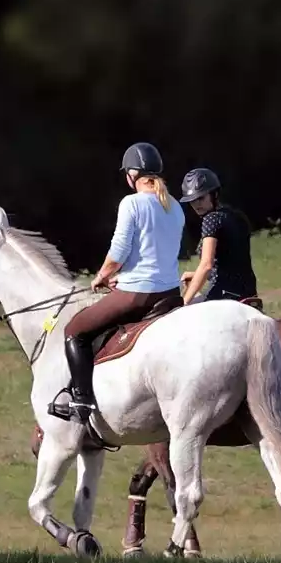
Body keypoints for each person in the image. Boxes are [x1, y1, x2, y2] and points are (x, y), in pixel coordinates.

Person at [52, 142, 186, 426]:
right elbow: (158, 251)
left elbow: (120, 250)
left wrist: (102, 276)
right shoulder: (174, 206)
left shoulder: (132, 203)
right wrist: (123, 275)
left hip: (138, 295)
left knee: (74, 330)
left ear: (132, 175)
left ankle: (81, 400)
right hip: (172, 295)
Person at [177, 167, 260, 308]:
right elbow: (232, 265)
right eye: (192, 201)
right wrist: (195, 274)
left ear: (214, 194)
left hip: (224, 295)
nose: (196, 204)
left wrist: (184, 302)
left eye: (201, 198)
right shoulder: (238, 217)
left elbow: (206, 265)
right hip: (249, 294)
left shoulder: (211, 219)